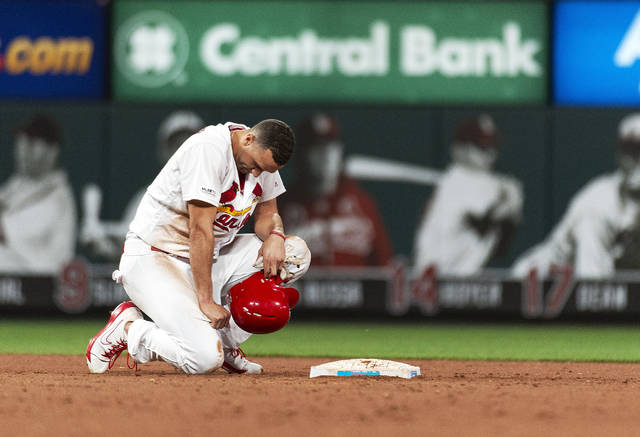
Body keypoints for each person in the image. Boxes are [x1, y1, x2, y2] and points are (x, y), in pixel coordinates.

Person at [86, 118, 311, 375]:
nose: (258, 173)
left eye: (266, 170)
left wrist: (276, 235)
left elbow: (268, 213)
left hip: (210, 257)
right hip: (156, 258)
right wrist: (205, 300)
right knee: (203, 359)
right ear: (248, 139)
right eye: (257, 166)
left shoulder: (261, 159)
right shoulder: (209, 150)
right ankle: (130, 330)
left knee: (296, 254)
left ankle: (227, 345)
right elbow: (200, 231)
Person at [512, 113, 640, 279]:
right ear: (620, 155)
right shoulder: (599, 204)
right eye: (633, 152)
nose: (637, 160)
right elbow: (592, 291)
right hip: (539, 287)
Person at [80, 110, 205, 260]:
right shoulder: (148, 196)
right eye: (177, 145)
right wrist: (101, 242)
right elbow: (131, 251)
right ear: (164, 152)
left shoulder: (221, 193)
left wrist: (110, 231)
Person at [413, 114, 523, 277]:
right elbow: (491, 216)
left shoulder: (465, 181)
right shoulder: (464, 180)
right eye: (482, 148)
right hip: (437, 281)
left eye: (493, 147)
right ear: (459, 150)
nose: (491, 154)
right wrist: (511, 197)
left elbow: (500, 249)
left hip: (448, 280)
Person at [279, 113, 393, 266]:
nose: (326, 156)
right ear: (300, 154)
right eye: (316, 148)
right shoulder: (281, 206)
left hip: (356, 289)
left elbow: (383, 266)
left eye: (331, 148)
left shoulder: (362, 204)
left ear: (340, 152)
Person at [0, 115, 76, 274]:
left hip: (42, 288)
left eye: (31, 144)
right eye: (20, 144)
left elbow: (6, 231)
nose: (22, 151)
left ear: (52, 151)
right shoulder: (19, 183)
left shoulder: (58, 198)